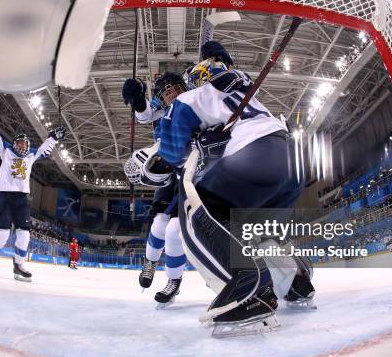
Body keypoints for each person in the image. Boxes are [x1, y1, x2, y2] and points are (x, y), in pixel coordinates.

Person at [136, 41, 315, 336]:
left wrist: (159, 162)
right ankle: (296, 281)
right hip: (291, 161)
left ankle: (248, 286)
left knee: (197, 215)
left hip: (256, 157)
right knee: (250, 235)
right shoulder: (244, 87)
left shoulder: (189, 100)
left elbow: (171, 153)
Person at [122, 72, 188, 307]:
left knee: (173, 230)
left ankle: (174, 280)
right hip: (168, 167)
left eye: (176, 88)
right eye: (167, 91)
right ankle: (150, 263)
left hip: (190, 170)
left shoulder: (194, 102)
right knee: (159, 224)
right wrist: (137, 99)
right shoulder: (161, 108)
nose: (173, 94)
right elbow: (144, 114)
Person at [0, 102, 65, 282]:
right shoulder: (5, 150)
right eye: (18, 142)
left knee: (25, 235)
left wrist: (54, 138)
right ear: (14, 143)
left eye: (24, 143)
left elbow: (44, 150)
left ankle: (18, 266)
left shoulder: (31, 155)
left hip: (21, 199)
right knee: (3, 234)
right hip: (5, 197)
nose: (21, 146)